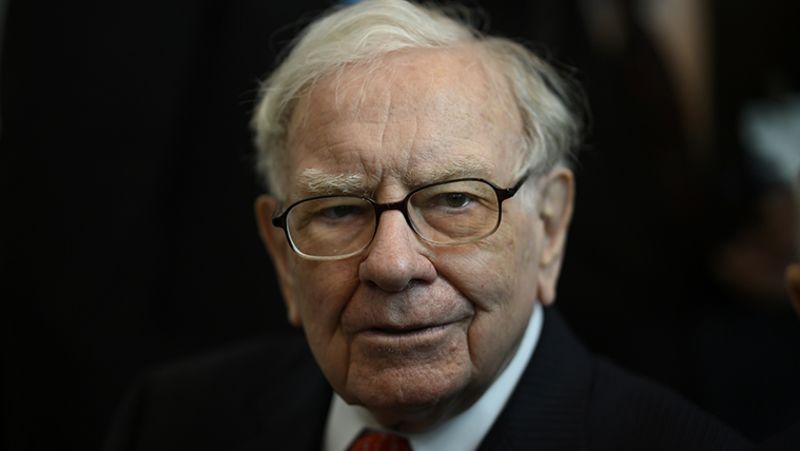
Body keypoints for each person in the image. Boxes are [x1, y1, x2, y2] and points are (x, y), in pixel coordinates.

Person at [104, 1, 751, 450]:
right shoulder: (169, 422)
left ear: (550, 229)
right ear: (280, 255)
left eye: (453, 201)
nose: (392, 263)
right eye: (339, 210)